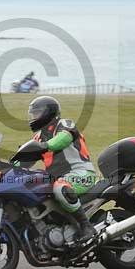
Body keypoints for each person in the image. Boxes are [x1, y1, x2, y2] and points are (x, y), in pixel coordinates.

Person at [27, 96, 97, 240]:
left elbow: (63, 138)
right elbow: (24, 160)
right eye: (33, 114)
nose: (34, 117)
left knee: (60, 188)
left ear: (48, 113)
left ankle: (86, 226)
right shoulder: (38, 137)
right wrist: (7, 167)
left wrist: (45, 146)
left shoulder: (65, 124)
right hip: (56, 178)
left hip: (81, 173)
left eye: (37, 113)